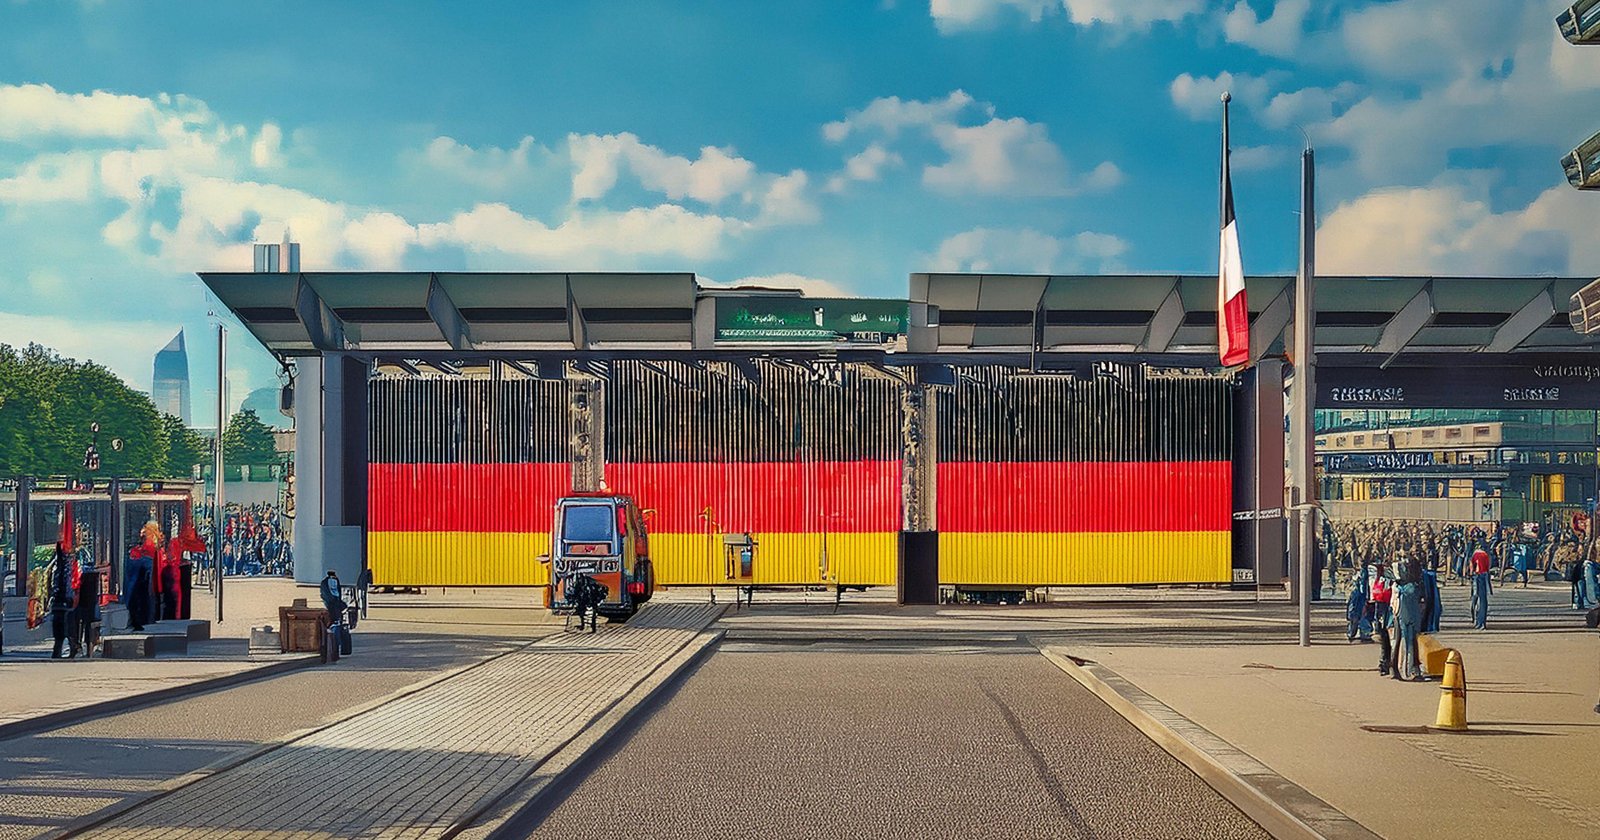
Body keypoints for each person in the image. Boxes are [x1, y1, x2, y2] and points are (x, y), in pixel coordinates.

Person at [48, 543, 79, 658]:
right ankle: (69, 647)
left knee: (61, 626)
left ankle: (63, 648)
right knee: (65, 625)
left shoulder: (62, 565)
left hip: (61, 600)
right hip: (64, 601)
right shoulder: (66, 564)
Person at [123, 542, 155, 633]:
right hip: (136, 584)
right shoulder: (144, 559)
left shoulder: (136, 558)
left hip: (132, 584)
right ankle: (137, 621)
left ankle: (136, 621)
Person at [1371, 564, 1394, 676]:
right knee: (1388, 641)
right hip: (1387, 611)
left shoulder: (1379, 579)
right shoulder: (1387, 579)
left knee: (1386, 641)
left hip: (1382, 610)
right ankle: (1386, 664)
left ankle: (1384, 664)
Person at [1346, 560, 1370, 643]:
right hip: (1358, 596)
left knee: (1355, 614)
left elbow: (1362, 586)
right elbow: (1363, 587)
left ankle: (1352, 633)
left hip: (1356, 596)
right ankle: (1358, 633)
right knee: (1358, 614)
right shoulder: (1362, 572)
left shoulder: (1360, 573)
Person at [1470, 547, 1492, 630]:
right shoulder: (1485, 555)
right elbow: (1488, 567)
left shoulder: (1475, 555)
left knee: (1475, 599)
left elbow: (1472, 567)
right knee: (1482, 600)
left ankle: (1477, 621)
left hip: (1477, 575)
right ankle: (1481, 622)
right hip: (1484, 575)